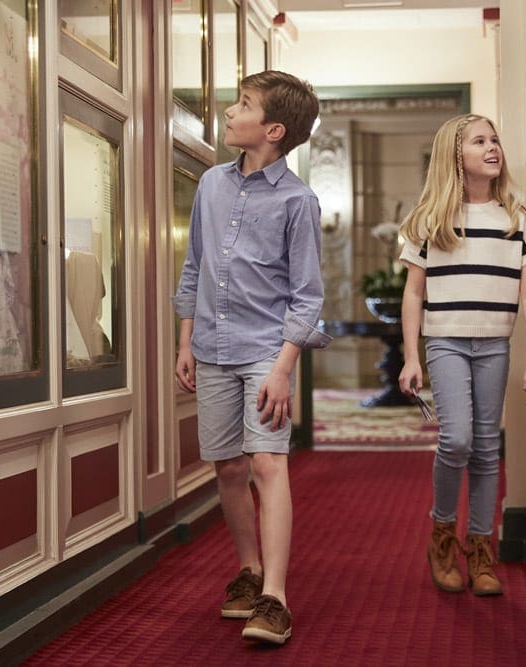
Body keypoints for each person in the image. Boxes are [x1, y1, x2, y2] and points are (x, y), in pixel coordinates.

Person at [173, 70, 330, 645]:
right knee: (229, 467)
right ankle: (248, 569)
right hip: (211, 349)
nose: (230, 111)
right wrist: (185, 340)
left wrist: (284, 368)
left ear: (273, 128)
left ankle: (276, 599)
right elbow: (193, 267)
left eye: (243, 105)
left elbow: (308, 294)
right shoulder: (210, 185)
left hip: (267, 353)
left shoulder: (298, 201)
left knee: (267, 465)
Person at [397, 114, 526, 596]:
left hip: (495, 344)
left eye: (494, 140)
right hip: (445, 341)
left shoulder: (517, 219)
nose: (492, 147)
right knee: (457, 440)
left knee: (486, 449)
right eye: (479, 141)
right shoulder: (428, 220)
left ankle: (480, 548)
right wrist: (411, 356)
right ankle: (443, 535)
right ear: (455, 157)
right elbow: (413, 294)